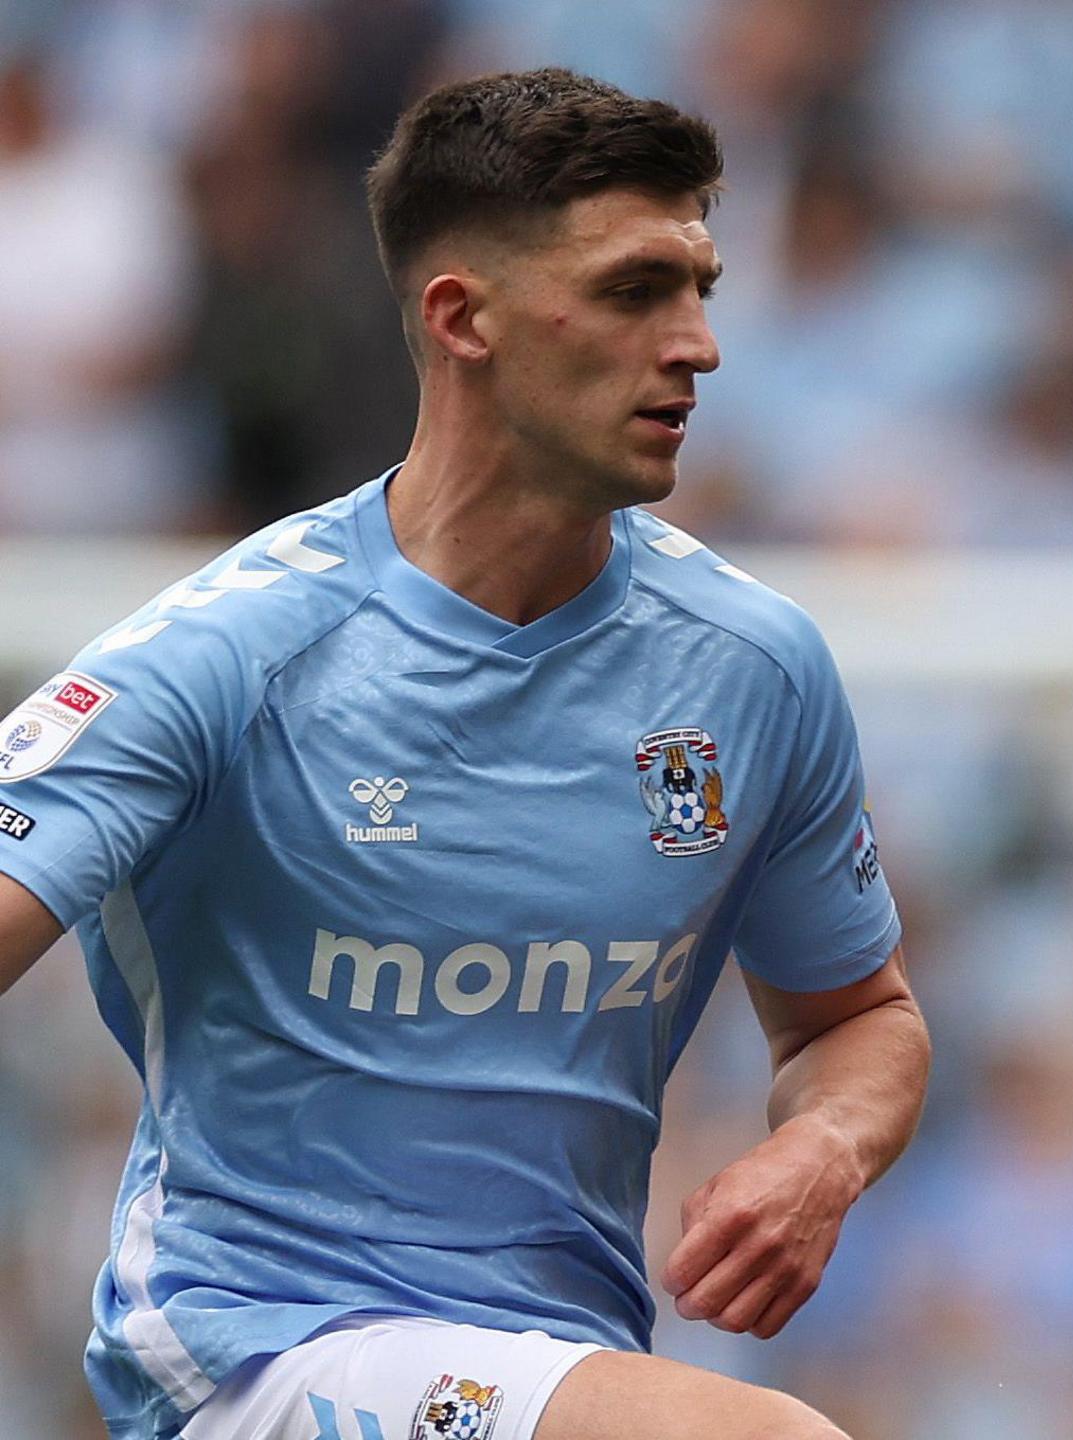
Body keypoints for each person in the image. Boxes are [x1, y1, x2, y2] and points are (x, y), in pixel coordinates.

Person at [0, 69, 926, 1440]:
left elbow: (858, 1019)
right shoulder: (227, 655)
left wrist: (826, 1148)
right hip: (255, 1350)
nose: (699, 345)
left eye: (701, 287)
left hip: (551, 1359)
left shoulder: (752, 669)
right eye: (633, 292)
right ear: (462, 318)